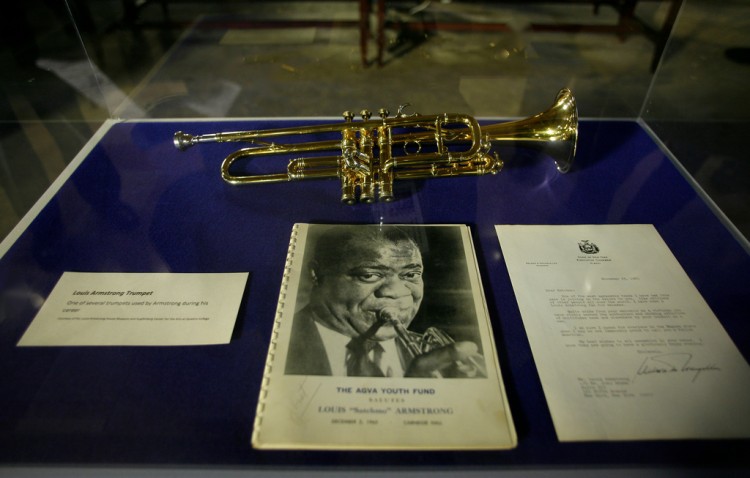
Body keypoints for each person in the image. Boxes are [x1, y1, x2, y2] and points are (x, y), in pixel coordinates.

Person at [284, 225, 485, 378]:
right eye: (369, 275)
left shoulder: (440, 356)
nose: (396, 293)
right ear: (316, 274)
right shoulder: (281, 346)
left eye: (411, 274)